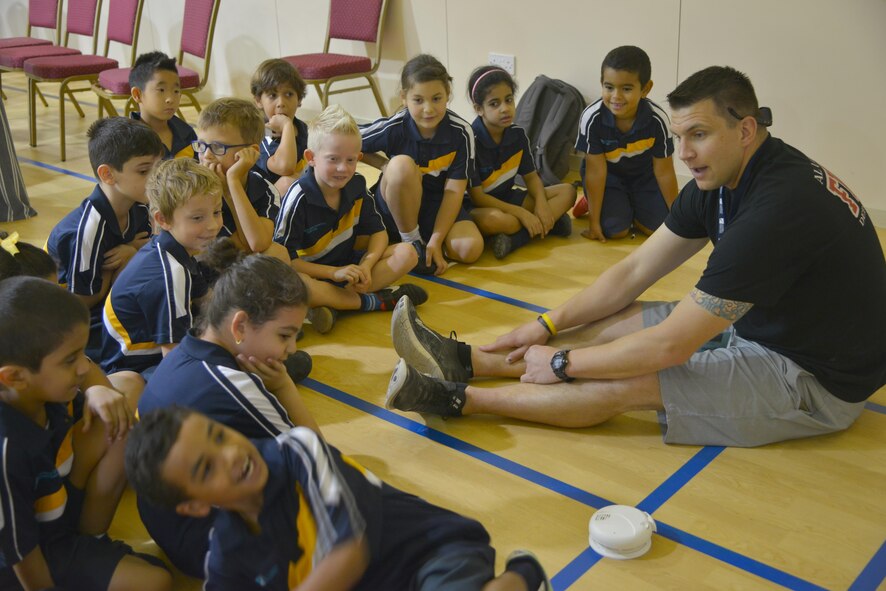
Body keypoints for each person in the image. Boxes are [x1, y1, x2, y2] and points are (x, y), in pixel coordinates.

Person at [384, 65, 886, 448]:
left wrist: (563, 362)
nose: (685, 153)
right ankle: (465, 359)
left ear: (746, 129)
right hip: (765, 324)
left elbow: (668, 348)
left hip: (814, 378)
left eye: (699, 135)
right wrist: (546, 324)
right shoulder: (729, 174)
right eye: (681, 136)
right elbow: (634, 270)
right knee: (619, 322)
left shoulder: (777, 210)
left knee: (634, 378)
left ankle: (453, 399)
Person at [127, 406, 551, 591]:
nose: (232, 454)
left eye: (219, 436)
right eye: (206, 468)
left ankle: (524, 573)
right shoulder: (226, 551)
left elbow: (349, 554)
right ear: (196, 506)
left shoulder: (297, 452)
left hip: (432, 552)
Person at [133, 254, 318, 577]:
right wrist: (285, 387)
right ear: (240, 326)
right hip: (211, 544)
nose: (290, 350)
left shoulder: (184, 351)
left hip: (164, 522)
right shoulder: (233, 386)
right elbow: (317, 459)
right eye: (285, 336)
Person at [0, 277, 171, 591]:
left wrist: (94, 389)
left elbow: (89, 377)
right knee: (155, 580)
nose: (82, 368)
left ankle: (91, 538)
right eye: (70, 360)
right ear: (15, 377)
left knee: (118, 422)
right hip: (39, 551)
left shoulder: (43, 390)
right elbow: (19, 552)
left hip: (55, 503)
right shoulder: (8, 450)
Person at [274, 104, 428, 326]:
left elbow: (378, 233)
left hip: (349, 270)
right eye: (333, 159)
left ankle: (335, 305)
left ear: (359, 157)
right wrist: (333, 273)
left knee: (408, 252)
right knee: (300, 286)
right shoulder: (298, 197)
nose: (343, 169)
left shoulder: (356, 185)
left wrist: (366, 265)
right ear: (311, 157)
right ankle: (373, 301)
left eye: (350, 160)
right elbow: (286, 261)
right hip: (316, 274)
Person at [46, 117, 164, 359]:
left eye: (158, 168)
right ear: (108, 174)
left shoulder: (140, 203)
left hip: (111, 304)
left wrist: (132, 252)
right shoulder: (87, 230)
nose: (156, 178)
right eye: (144, 171)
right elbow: (81, 302)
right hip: (81, 324)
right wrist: (125, 258)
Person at [360, 54, 484, 276]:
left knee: (470, 249)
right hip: (395, 204)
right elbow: (351, 143)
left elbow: (454, 191)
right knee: (400, 166)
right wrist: (384, 166)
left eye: (436, 98)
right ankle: (413, 242)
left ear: (448, 95)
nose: (428, 109)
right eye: (418, 100)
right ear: (404, 98)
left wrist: (437, 240)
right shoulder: (394, 127)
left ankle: (427, 245)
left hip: (436, 206)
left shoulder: (463, 133)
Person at [99, 158, 221, 375]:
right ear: (162, 219)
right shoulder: (170, 273)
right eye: (197, 218)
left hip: (156, 353)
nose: (212, 225)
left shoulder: (176, 249)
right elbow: (174, 359)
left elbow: (209, 301)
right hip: (137, 369)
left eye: (217, 212)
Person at [465, 66, 576, 259]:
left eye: (509, 100)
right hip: (482, 207)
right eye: (494, 103)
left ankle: (517, 238)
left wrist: (541, 204)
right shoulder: (470, 142)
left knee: (568, 191)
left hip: (509, 198)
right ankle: (550, 224)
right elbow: (478, 197)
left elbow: (532, 178)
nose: (505, 108)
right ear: (478, 109)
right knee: (497, 221)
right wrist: (522, 214)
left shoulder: (517, 135)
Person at [572, 46, 679, 242]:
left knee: (658, 229)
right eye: (609, 87)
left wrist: (678, 218)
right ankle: (592, 201)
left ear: (645, 89)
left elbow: (664, 172)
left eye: (627, 89)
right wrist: (594, 223)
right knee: (616, 231)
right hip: (607, 176)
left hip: (643, 177)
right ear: (601, 84)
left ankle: (630, 204)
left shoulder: (658, 120)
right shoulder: (592, 118)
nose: (616, 97)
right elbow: (596, 172)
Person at [194, 97, 287, 261]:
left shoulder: (264, 189)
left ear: (250, 152)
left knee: (277, 253)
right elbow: (203, 251)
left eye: (217, 147)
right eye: (202, 145)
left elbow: (257, 244)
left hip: (232, 267)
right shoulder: (189, 185)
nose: (206, 155)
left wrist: (232, 187)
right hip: (199, 270)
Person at [251, 58, 309, 195]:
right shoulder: (262, 133)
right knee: (290, 182)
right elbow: (285, 167)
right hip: (264, 200)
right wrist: (287, 125)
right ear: (259, 101)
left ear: (299, 99)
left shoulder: (302, 127)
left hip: (294, 192)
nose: (281, 103)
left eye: (289, 94)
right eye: (272, 95)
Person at [129, 50, 197, 160]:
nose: (170, 99)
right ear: (137, 94)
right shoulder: (128, 142)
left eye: (176, 91)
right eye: (161, 90)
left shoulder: (187, 133)